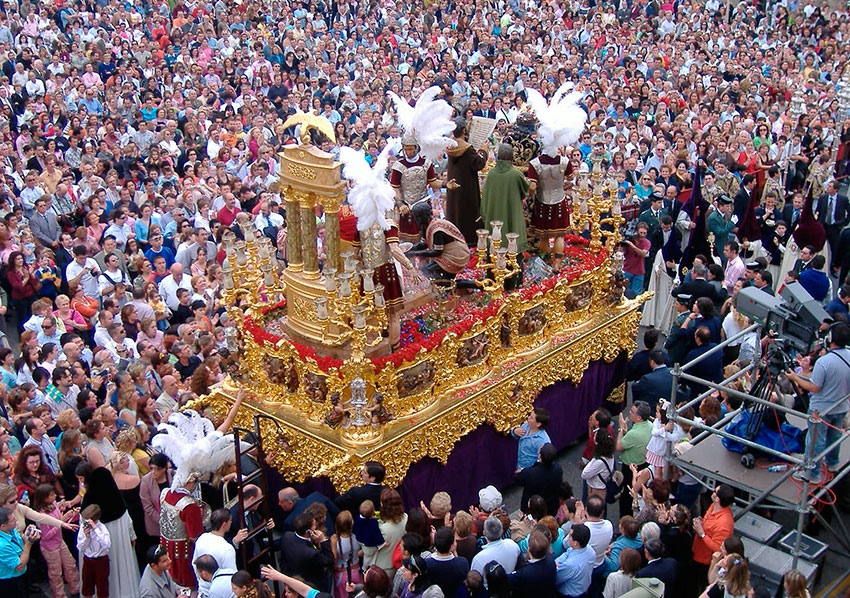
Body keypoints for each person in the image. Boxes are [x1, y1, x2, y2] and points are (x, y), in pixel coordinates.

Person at [786, 322, 850, 483]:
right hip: (841, 406)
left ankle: (812, 474)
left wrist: (795, 378)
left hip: (821, 410)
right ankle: (832, 463)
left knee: (816, 441)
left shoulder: (824, 362)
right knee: (834, 437)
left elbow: (814, 388)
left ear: (830, 339)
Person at [481, 143, 531, 259]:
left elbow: (485, 198)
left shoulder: (491, 174)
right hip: (512, 216)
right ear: (512, 156)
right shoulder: (516, 175)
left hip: (493, 217)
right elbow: (525, 191)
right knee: (513, 246)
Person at [389, 135, 441, 244]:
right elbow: (394, 187)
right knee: (408, 240)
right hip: (407, 206)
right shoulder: (399, 166)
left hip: (423, 205)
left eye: (410, 149)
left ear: (416, 148)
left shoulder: (426, 163)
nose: (408, 152)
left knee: (426, 236)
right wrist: (400, 204)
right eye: (405, 149)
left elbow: (433, 182)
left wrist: (446, 184)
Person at [445, 118, 488, 245]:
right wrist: (483, 150)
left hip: (454, 185)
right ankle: (469, 241)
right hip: (467, 186)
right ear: (464, 130)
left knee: (455, 211)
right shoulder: (467, 148)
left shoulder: (451, 146)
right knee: (468, 213)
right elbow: (479, 163)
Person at [407, 202, 471, 281]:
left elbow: (437, 252)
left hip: (456, 257)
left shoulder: (437, 230)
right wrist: (409, 250)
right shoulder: (425, 225)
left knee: (427, 270)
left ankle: (448, 285)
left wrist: (414, 254)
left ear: (428, 214)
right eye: (416, 217)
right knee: (428, 270)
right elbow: (424, 244)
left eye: (420, 217)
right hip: (446, 253)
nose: (417, 220)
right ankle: (446, 283)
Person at [692, 484, 735, 587]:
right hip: (697, 550)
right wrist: (701, 523)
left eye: (715, 491)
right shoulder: (714, 506)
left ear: (717, 499)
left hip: (704, 561)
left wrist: (702, 533)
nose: (713, 491)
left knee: (699, 584)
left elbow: (718, 548)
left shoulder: (723, 524)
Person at [279, 512, 334, 592]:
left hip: (292, 579)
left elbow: (282, 560)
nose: (316, 526)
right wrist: (323, 541)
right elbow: (329, 560)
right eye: (314, 524)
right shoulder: (312, 553)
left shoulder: (287, 536)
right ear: (308, 531)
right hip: (311, 585)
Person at [616, 402, 652, 517]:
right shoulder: (650, 426)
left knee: (626, 496)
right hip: (644, 462)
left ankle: (626, 519)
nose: (629, 413)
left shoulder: (635, 434)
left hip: (630, 467)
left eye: (632, 412)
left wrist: (621, 429)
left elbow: (618, 446)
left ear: (639, 417)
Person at [193, 508, 238, 595]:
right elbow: (232, 576)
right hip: (220, 592)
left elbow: (194, 565)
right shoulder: (227, 549)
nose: (231, 522)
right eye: (230, 520)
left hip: (203, 590)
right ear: (224, 524)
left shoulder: (201, 538)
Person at [0, 506, 40, 594]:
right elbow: (19, 566)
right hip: (9, 582)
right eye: (12, 520)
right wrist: (28, 544)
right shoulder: (2, 546)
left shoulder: (11, 530)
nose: (16, 520)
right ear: (2, 526)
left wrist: (26, 536)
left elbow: (20, 544)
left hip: (21, 577)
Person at [515, 443, 563, 517]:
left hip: (531, 510)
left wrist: (520, 473)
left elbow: (518, 480)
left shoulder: (529, 473)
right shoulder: (558, 470)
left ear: (540, 456)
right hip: (550, 509)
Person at [78, 503, 112, 598]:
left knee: (102, 589)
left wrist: (96, 530)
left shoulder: (102, 529)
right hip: (88, 561)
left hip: (101, 561)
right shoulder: (83, 528)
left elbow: (106, 545)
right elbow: (80, 548)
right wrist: (87, 537)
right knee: (87, 589)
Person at [554, 523, 595, 598]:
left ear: (576, 543)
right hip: (583, 590)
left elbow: (556, 578)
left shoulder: (570, 565)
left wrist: (557, 565)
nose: (568, 538)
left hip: (568, 595)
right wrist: (557, 562)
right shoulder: (590, 550)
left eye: (569, 536)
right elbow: (567, 553)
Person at [511, 407, 552, 472]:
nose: (528, 417)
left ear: (538, 424)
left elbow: (541, 463)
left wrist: (527, 472)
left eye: (531, 417)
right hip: (520, 465)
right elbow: (516, 436)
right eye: (530, 415)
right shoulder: (525, 426)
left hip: (531, 471)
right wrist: (514, 431)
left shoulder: (542, 441)